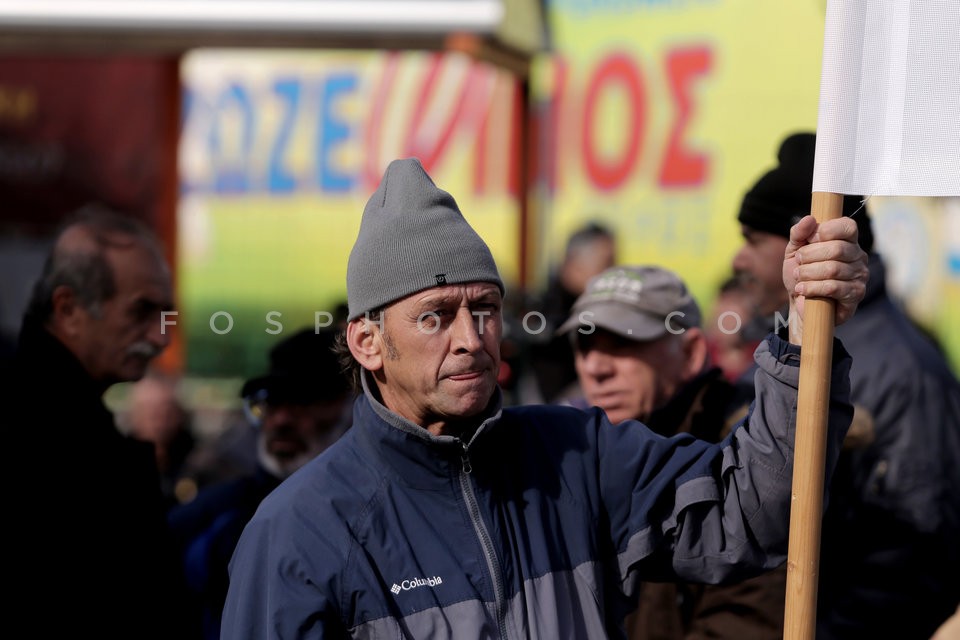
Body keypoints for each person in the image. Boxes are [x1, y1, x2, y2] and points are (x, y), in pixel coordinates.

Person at [221, 157, 867, 639]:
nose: (472, 340)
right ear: (366, 340)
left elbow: (756, 512)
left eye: (485, 310)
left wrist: (803, 333)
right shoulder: (298, 532)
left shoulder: (578, 454)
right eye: (435, 316)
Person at [732, 132, 960, 639]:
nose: (738, 261)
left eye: (751, 240)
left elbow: (916, 562)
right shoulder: (781, 351)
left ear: (807, 244)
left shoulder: (903, 374)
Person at [558, 265, 783, 639]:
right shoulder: (562, 455)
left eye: (623, 342)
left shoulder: (747, 462)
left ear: (692, 352)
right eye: (584, 345)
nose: (595, 367)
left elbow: (745, 621)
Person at [1, 205, 185, 638]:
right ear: (67, 309)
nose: (160, 336)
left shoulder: (68, 426)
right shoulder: (51, 443)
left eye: (165, 314)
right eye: (141, 311)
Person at [169, 326, 353, 640]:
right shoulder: (213, 517)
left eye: (301, 402)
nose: (281, 420)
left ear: (344, 407)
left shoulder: (377, 508)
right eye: (272, 403)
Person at [525, 221, 617, 403]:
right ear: (574, 265)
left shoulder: (600, 309)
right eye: (607, 264)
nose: (613, 274)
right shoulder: (543, 315)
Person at [126, 372, 198, 507]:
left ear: (179, 414)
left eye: (165, 409)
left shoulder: (201, 462)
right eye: (148, 409)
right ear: (133, 415)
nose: (158, 418)